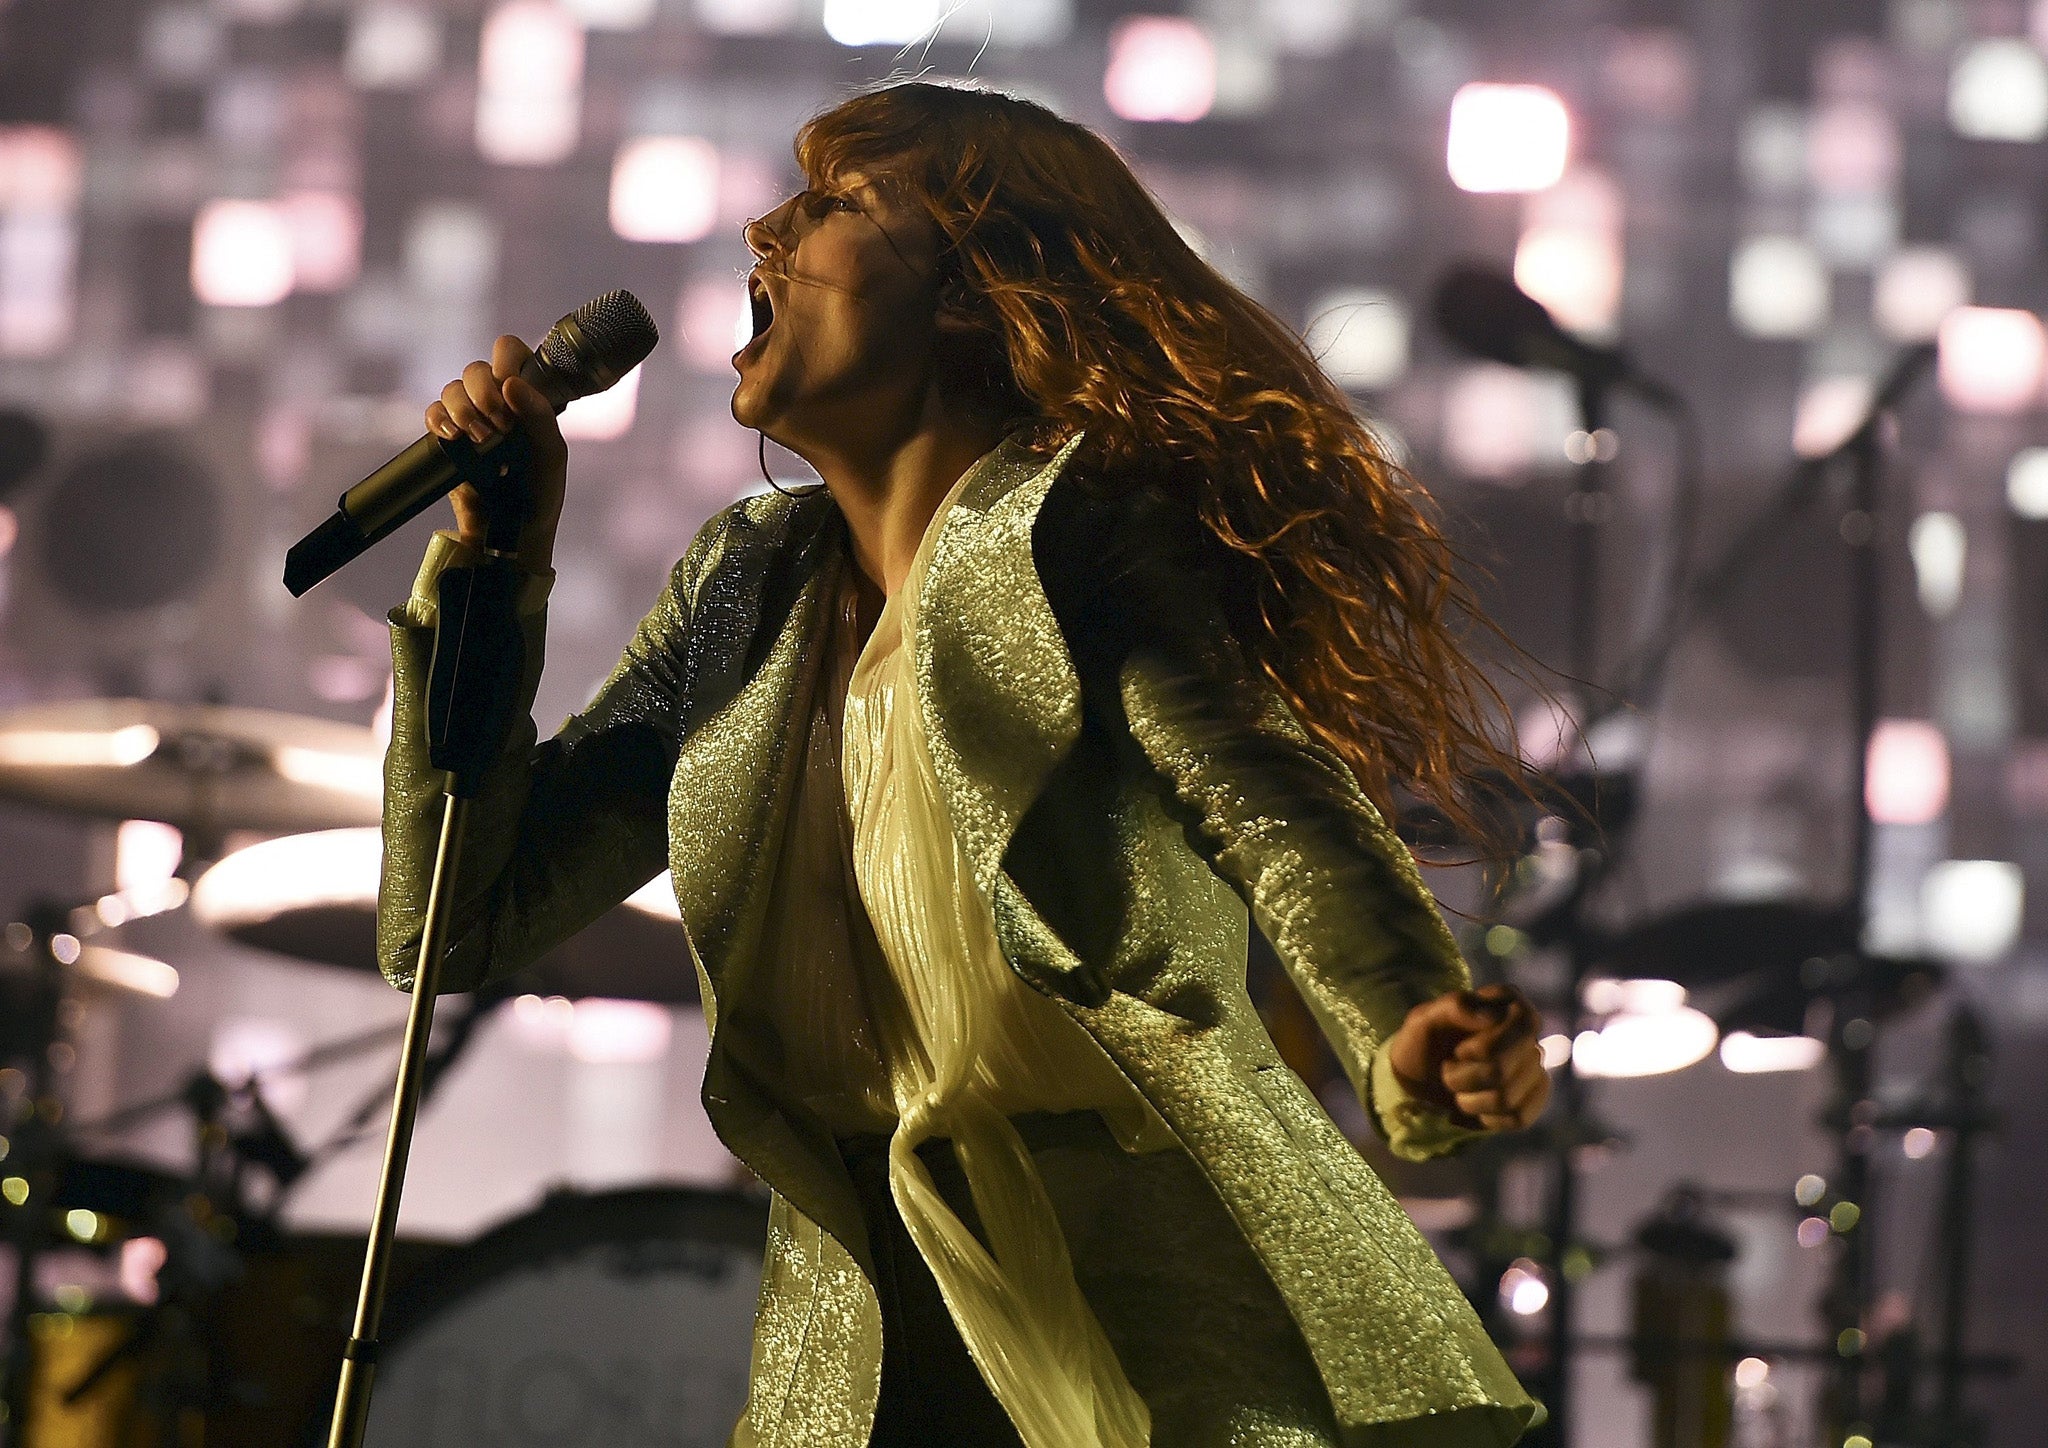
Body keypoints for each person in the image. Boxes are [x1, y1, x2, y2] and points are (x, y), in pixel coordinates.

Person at [380, 80, 1550, 1448]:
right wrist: (493, 569)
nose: (768, 228)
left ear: (968, 291)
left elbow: (1276, 810)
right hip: (865, 1332)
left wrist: (1407, 1022)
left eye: (834, 204)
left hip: (1135, 1315)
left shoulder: (1077, 541)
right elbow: (453, 918)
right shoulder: (741, 596)